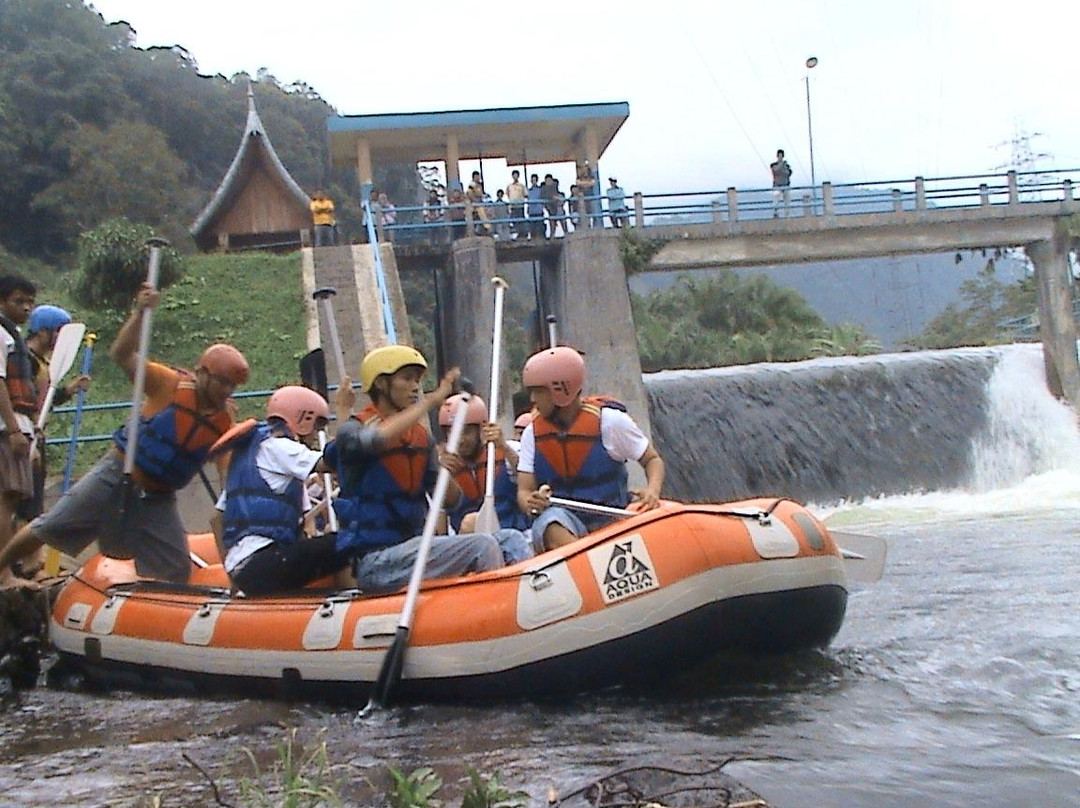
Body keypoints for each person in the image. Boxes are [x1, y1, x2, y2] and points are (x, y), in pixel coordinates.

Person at [0, 284, 250, 586]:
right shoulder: (167, 382)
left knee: (175, 568)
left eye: (232, 386)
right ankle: (2, 571)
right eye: (222, 383)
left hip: (159, 496)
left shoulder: (224, 419)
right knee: (50, 526)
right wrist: (141, 313)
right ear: (203, 373)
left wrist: (232, 507)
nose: (226, 391)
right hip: (118, 472)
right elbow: (121, 353)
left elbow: (225, 468)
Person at [324, 346, 504, 593]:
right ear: (381, 384)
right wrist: (430, 402)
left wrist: (444, 473)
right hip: (376, 561)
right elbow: (374, 441)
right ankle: (494, 609)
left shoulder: (420, 437)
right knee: (483, 546)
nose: (415, 387)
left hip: (415, 550)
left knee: (509, 539)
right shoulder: (353, 430)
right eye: (406, 379)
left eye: (417, 380)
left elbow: (453, 501)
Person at [516, 346, 665, 552]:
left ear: (561, 390)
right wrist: (532, 502)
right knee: (549, 524)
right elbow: (524, 491)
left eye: (539, 391)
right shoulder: (531, 434)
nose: (532, 399)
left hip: (615, 515)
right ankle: (590, 567)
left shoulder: (611, 422)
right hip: (567, 521)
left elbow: (652, 460)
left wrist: (652, 490)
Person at [215, 385, 348, 596]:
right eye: (317, 425)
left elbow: (216, 518)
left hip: (243, 566)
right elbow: (333, 461)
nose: (317, 434)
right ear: (302, 419)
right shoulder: (280, 447)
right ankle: (351, 600)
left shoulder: (254, 455)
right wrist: (343, 414)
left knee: (324, 544)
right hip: (263, 561)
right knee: (348, 541)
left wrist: (231, 576)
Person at [436, 394, 531, 561]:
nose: (460, 439)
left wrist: (504, 448)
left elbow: (527, 478)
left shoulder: (507, 451)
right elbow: (440, 523)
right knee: (470, 522)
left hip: (513, 535)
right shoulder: (443, 469)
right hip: (469, 546)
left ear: (481, 429)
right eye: (453, 433)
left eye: (466, 432)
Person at [24, 304, 91, 521]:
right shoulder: (25, 360)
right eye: (58, 332)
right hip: (24, 438)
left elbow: (44, 402)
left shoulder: (43, 363)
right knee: (23, 504)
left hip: (37, 437)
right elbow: (25, 401)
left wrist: (69, 390)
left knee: (33, 504)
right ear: (43, 331)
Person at [0, 275, 38, 562]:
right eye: (18, 301)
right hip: (6, 428)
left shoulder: (12, 335)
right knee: (6, 497)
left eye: (30, 302)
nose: (26, 308)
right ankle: (4, 572)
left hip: (17, 425)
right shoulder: (1, 334)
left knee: (11, 500)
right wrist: (13, 429)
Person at [770, 149, 793, 218]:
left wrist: (784, 168)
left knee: (787, 202)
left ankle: (787, 216)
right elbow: (776, 171)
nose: (780, 157)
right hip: (777, 186)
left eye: (781, 155)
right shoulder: (774, 165)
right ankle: (775, 214)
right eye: (779, 155)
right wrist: (782, 165)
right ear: (777, 156)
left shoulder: (787, 165)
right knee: (775, 202)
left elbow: (788, 173)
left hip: (786, 185)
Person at [505, 170, 527, 238]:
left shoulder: (522, 186)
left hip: (520, 206)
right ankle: (517, 233)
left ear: (518, 176)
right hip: (512, 206)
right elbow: (508, 194)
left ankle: (522, 234)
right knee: (513, 220)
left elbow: (526, 194)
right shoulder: (509, 186)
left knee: (521, 220)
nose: (515, 176)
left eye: (516, 175)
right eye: (514, 175)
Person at [526, 174, 545, 241]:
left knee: (540, 228)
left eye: (534, 180)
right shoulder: (528, 191)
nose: (533, 181)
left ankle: (541, 239)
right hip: (531, 212)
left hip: (539, 211)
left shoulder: (540, 189)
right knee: (532, 228)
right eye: (532, 180)